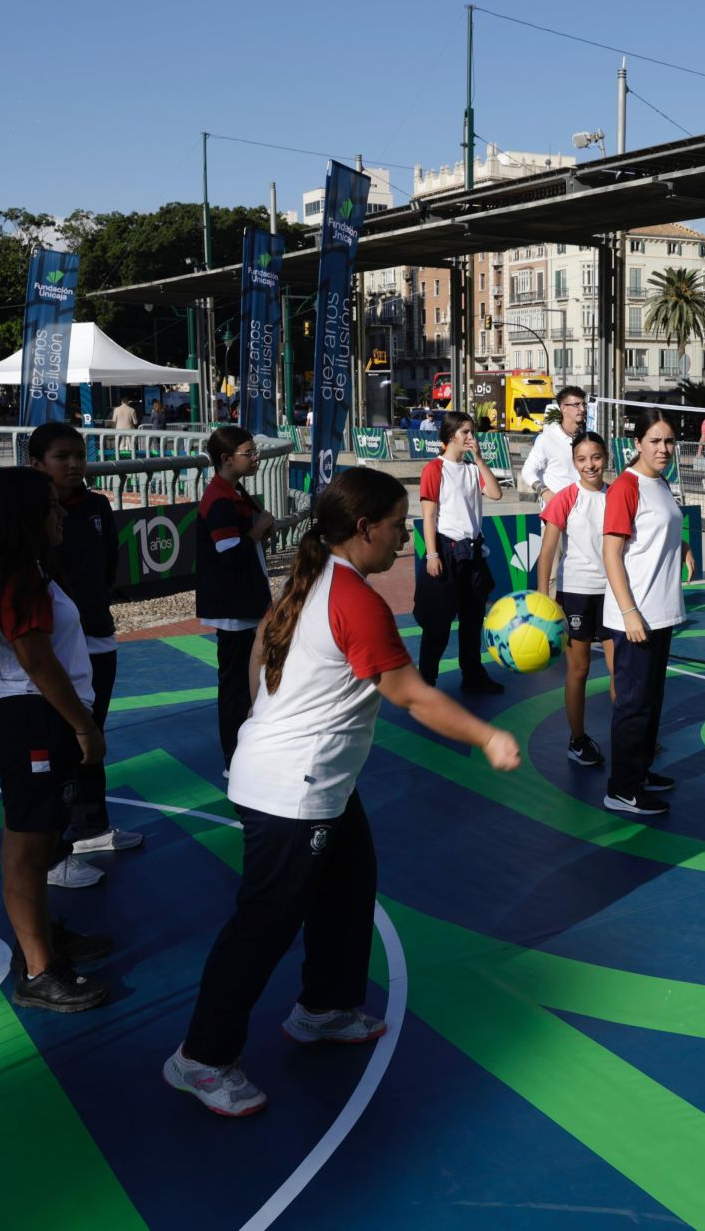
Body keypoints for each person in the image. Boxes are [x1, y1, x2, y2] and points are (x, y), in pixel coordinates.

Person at [164, 468, 521, 1117]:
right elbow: (411, 695)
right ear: (365, 529)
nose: (407, 534)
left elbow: (256, 661)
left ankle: (323, 1008)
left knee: (351, 881)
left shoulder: (315, 580)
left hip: (309, 780)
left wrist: (266, 723)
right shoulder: (356, 599)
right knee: (264, 923)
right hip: (292, 792)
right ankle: (201, 1057)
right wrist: (487, 737)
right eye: (398, 523)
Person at [0, 467, 113, 1013]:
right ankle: (38, 969)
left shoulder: (21, 569)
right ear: (25, 517)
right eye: (50, 505)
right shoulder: (21, 575)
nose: (62, 511)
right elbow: (36, 659)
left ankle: (39, 939)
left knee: (39, 840)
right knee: (27, 845)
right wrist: (83, 726)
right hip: (30, 719)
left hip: (31, 718)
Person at [28, 423, 142, 888]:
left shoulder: (97, 506)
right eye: (62, 456)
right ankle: (53, 854)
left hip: (98, 638)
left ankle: (91, 825)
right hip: (54, 650)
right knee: (58, 745)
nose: (74, 463)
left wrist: (98, 610)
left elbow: (109, 564)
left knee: (94, 734)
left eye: (79, 454)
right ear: (37, 464)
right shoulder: (25, 518)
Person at [601, 407, 696, 816]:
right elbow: (612, 553)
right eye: (655, 441)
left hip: (661, 612)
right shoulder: (626, 486)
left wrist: (685, 547)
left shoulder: (661, 483)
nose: (664, 448)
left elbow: (660, 529)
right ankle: (621, 788)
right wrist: (629, 612)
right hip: (636, 615)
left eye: (669, 440)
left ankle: (639, 772)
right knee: (632, 704)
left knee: (651, 700)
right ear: (636, 443)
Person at [196, 427, 275, 769]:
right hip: (234, 607)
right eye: (249, 452)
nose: (255, 457)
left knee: (250, 683)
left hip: (245, 603)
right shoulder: (220, 499)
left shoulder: (233, 492)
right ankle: (234, 759)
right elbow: (230, 553)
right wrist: (260, 527)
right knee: (236, 689)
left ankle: (246, 752)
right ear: (227, 459)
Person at [537, 430, 615, 767]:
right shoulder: (565, 498)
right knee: (579, 669)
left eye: (595, 457)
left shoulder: (618, 496)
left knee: (619, 671)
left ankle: (629, 737)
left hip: (613, 594)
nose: (590, 465)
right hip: (576, 594)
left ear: (606, 458)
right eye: (582, 459)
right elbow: (547, 552)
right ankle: (577, 739)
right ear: (573, 462)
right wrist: (543, 599)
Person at [416, 410, 505, 696]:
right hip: (446, 551)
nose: (471, 437)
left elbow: (496, 494)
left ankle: (473, 674)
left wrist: (479, 460)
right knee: (438, 623)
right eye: (465, 432)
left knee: (473, 619)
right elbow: (428, 516)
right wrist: (432, 555)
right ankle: (426, 681)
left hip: (474, 553)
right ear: (450, 435)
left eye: (472, 432)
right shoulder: (434, 469)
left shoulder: (471, 469)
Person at [521, 386, 588, 509]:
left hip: (583, 511)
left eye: (584, 404)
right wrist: (544, 491)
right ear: (563, 408)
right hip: (555, 514)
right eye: (577, 405)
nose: (582, 409)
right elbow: (527, 471)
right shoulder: (547, 439)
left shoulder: (586, 439)